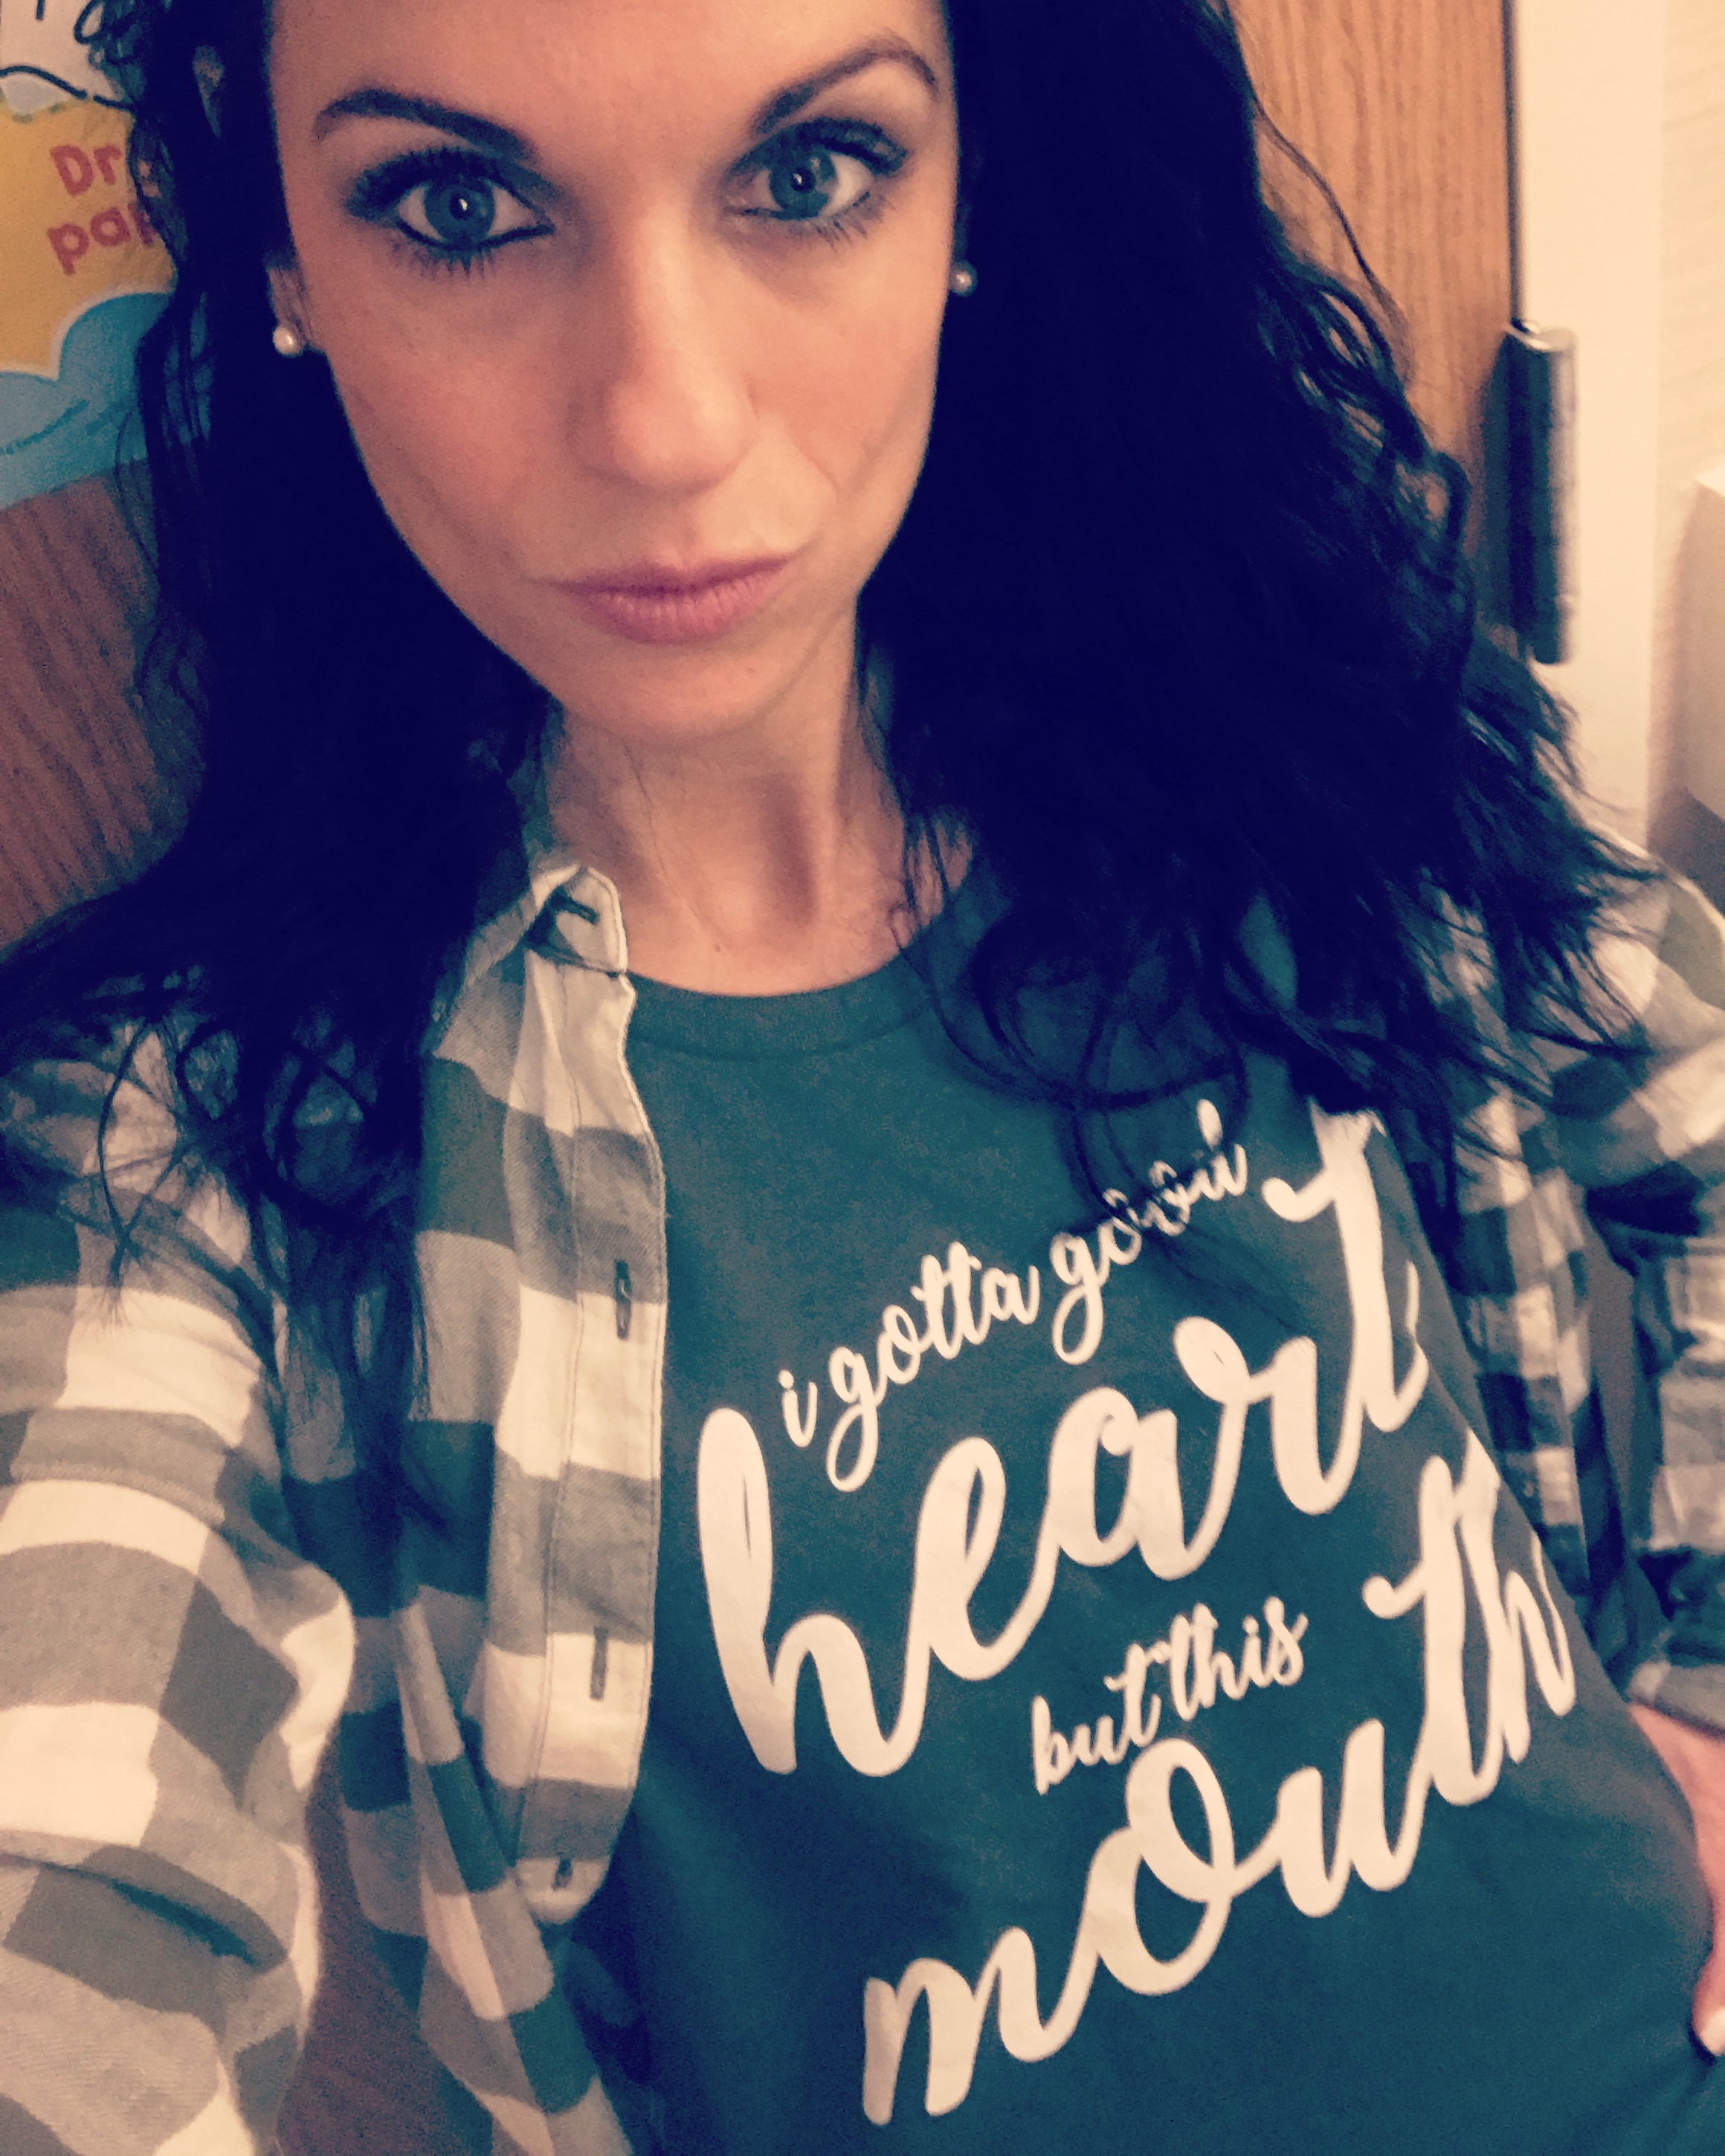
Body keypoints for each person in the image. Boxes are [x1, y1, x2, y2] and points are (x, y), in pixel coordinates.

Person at [1, 0, 1724, 2148]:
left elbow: (1695, 1105)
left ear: (970, 183)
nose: (666, 422)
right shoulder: (203, 1157)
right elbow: (73, 1875)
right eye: (455, 205)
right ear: (285, 257)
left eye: (809, 173)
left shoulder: (1270, 696)